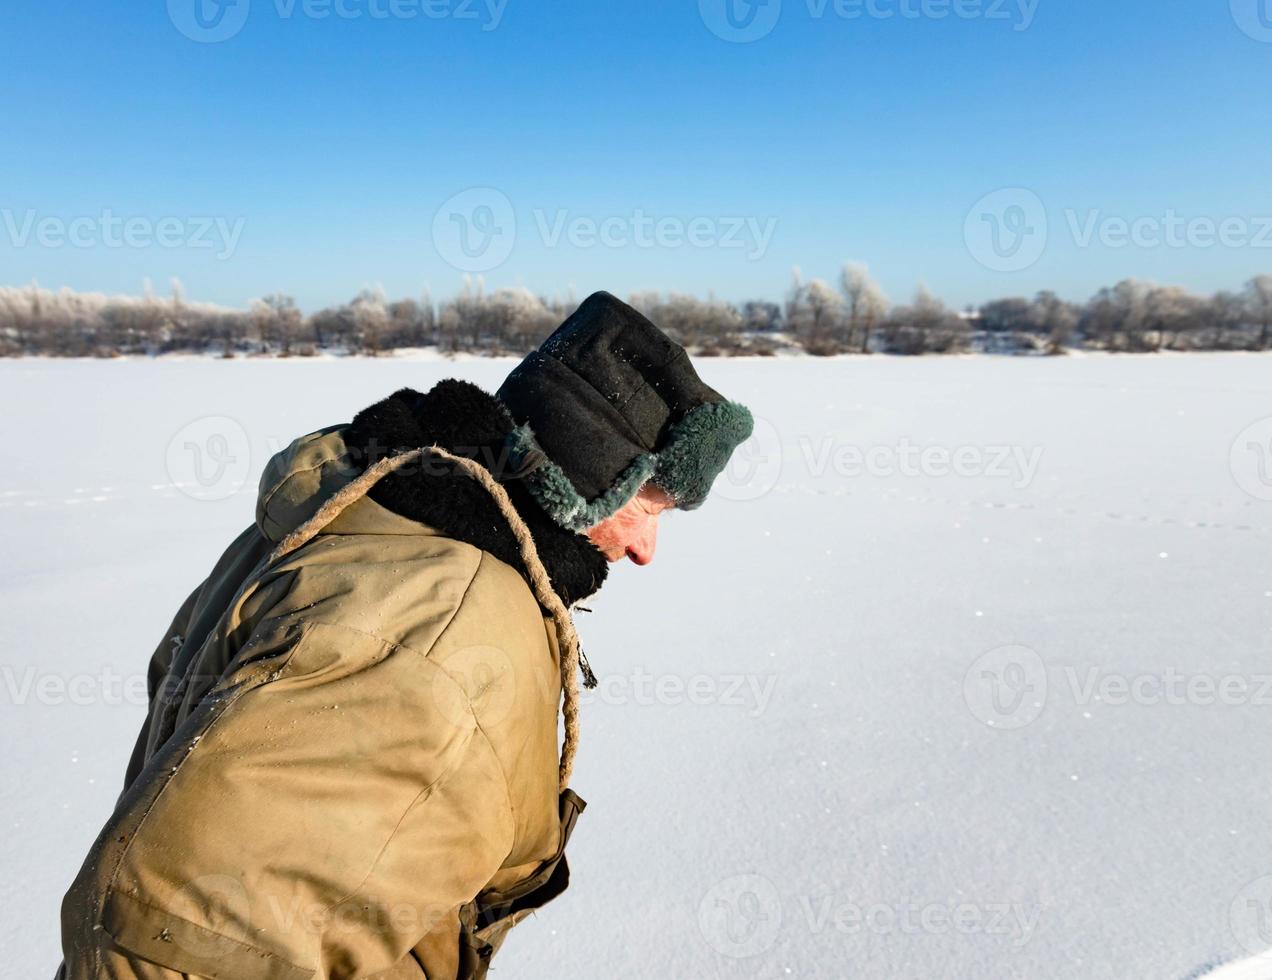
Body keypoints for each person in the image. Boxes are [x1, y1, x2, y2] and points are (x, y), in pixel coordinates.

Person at [58, 291, 754, 979]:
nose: (646, 551)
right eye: (645, 507)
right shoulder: (432, 632)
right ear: (588, 476)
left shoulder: (375, 509)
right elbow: (171, 943)